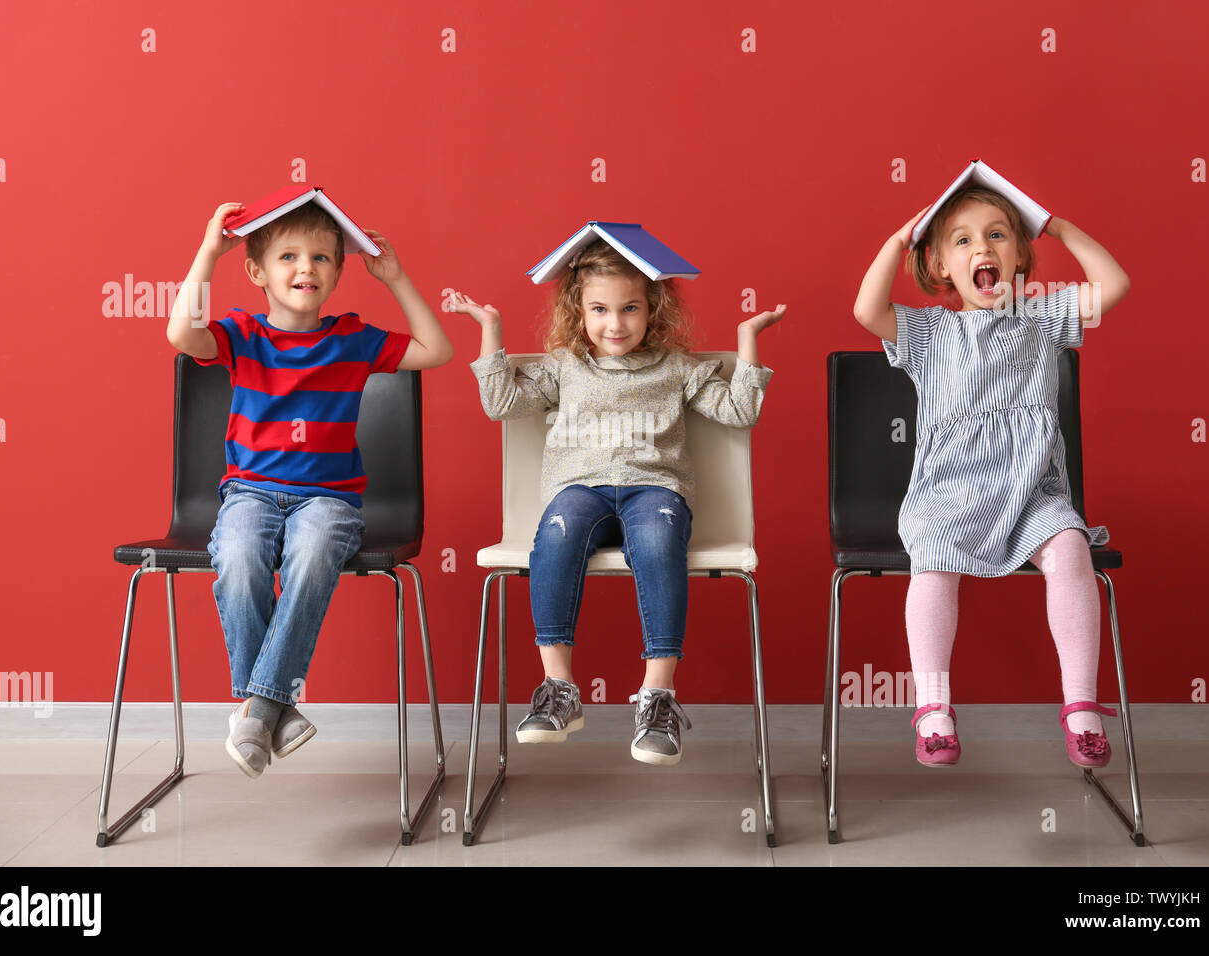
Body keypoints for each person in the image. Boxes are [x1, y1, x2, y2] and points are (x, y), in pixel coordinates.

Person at [453, 238, 784, 765]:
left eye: (630, 308)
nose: (615, 324)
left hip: (655, 490)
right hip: (580, 490)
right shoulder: (565, 366)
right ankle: (559, 689)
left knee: (655, 540)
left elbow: (739, 411)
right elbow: (501, 403)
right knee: (556, 535)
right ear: (578, 311)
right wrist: (490, 331)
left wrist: (747, 342)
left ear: (652, 309)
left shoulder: (675, 367)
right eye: (600, 309)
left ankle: (658, 696)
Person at [165, 199, 454, 776]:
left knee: (314, 549)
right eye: (289, 256)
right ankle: (276, 704)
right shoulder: (242, 335)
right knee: (241, 555)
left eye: (323, 257)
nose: (308, 267)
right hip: (249, 492)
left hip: (330, 500)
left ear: (338, 272)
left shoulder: (352, 338)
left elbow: (437, 350)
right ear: (257, 273)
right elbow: (180, 334)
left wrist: (396, 280)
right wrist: (208, 252)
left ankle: (258, 706)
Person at [853, 186, 1130, 768]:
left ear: (1020, 257)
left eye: (998, 234)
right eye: (963, 240)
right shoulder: (929, 333)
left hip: (1032, 490)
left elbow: (1114, 287)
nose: (983, 246)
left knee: (1071, 547)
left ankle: (1080, 707)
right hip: (948, 491)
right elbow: (865, 310)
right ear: (941, 267)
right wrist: (896, 240)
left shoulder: (1043, 317)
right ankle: (933, 710)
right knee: (931, 557)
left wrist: (1059, 227)